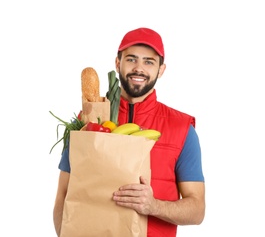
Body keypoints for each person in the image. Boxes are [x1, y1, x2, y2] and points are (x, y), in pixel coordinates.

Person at [53, 27, 205, 236]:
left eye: (149, 62)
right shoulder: (86, 122)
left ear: (161, 70)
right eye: (131, 59)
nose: (139, 68)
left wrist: (154, 206)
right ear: (118, 63)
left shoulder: (181, 129)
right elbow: (63, 194)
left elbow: (197, 210)